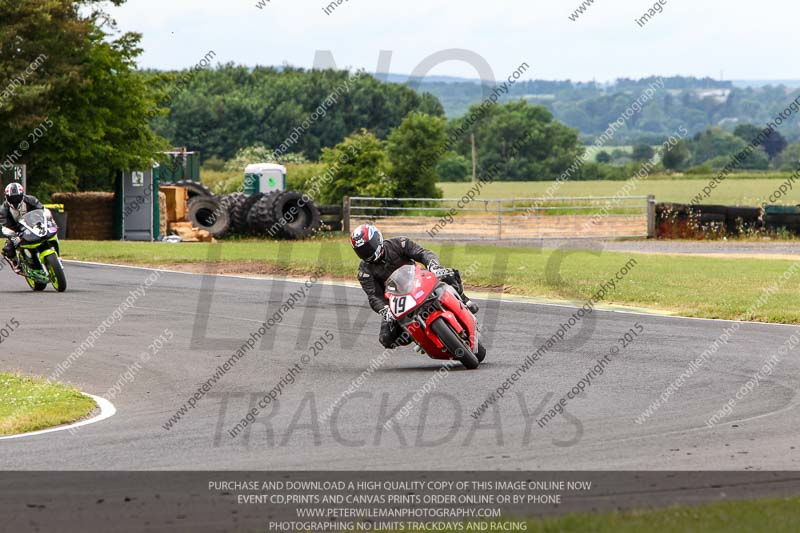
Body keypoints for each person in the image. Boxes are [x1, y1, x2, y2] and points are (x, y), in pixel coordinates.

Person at [351, 223, 478, 349]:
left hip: (418, 281)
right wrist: (385, 310)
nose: (366, 253)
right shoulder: (364, 272)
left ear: (377, 239)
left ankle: (463, 299)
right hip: (396, 300)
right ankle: (419, 336)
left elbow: (423, 253)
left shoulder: (400, 243)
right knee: (386, 338)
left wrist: (433, 266)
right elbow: (374, 296)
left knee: (449, 274)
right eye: (361, 251)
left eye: (368, 247)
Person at [1, 183, 43, 274]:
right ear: (6, 197)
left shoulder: (31, 200)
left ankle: (56, 254)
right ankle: (16, 263)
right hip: (17, 231)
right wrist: (13, 236)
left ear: (22, 195)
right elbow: (3, 225)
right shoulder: (3, 209)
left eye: (17, 197)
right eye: (12, 198)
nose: (15, 200)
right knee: (7, 250)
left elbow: (42, 210)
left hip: (34, 225)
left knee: (50, 233)